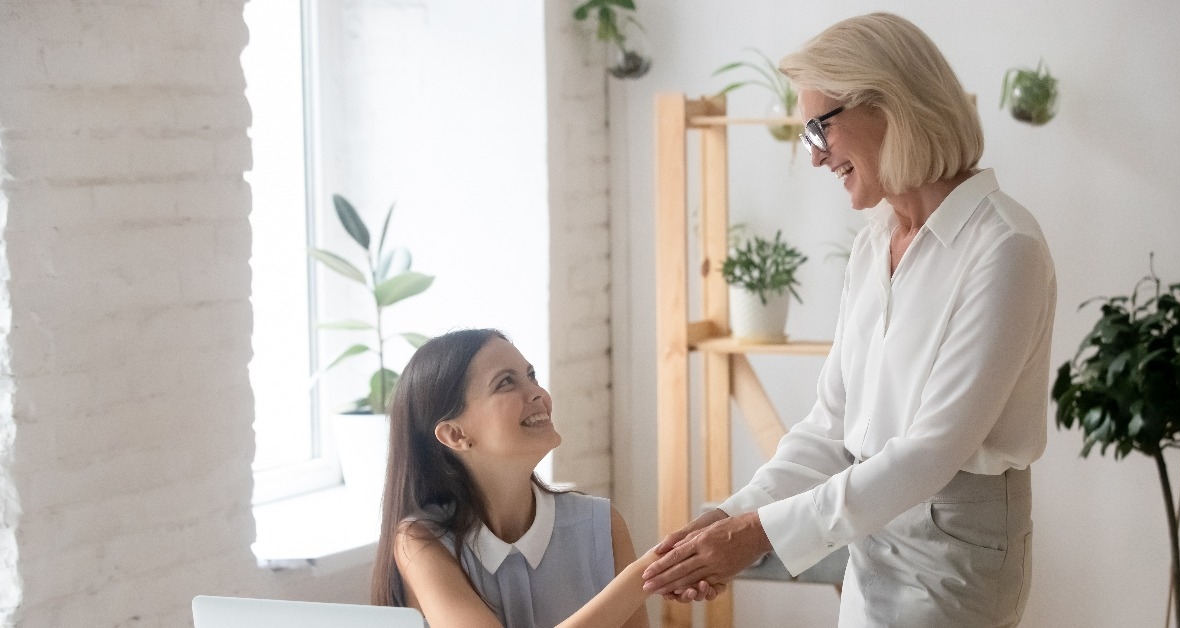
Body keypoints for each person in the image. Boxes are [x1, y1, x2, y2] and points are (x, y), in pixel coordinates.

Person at [642, 12, 1057, 627]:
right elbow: (831, 426)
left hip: (953, 548)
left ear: (889, 104)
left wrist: (753, 536)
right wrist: (729, 517)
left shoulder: (1005, 248)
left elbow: (930, 451)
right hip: (870, 528)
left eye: (817, 130)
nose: (814, 158)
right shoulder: (875, 244)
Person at [370, 328, 654, 628]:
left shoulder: (601, 524)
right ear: (455, 435)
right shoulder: (421, 542)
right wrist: (643, 578)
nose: (539, 394)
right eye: (506, 383)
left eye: (531, 376)